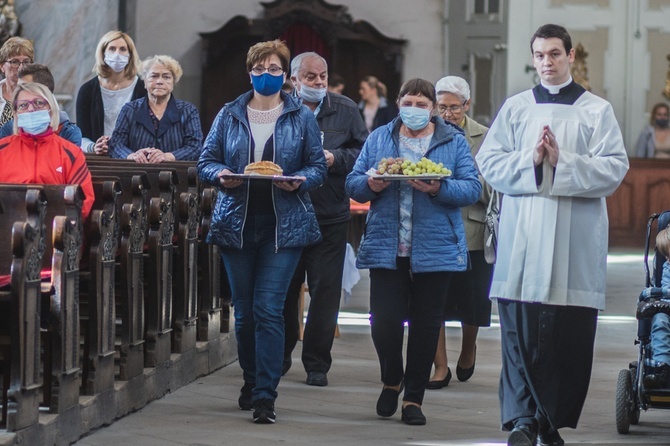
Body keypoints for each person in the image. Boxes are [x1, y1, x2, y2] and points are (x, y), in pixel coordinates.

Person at [475, 24, 629, 446]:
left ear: (571, 55)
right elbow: (489, 161)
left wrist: (564, 162)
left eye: (554, 54)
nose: (546, 62)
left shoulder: (596, 110)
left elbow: (615, 167)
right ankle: (524, 420)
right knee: (519, 334)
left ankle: (548, 421)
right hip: (523, 236)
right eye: (539, 55)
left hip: (574, 242)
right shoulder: (516, 108)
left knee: (566, 339)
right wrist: (531, 159)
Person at [197, 40, 327, 424]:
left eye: (274, 69)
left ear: (285, 76)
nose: (266, 75)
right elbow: (207, 159)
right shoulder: (230, 113)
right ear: (249, 71)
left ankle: (266, 395)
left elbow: (317, 167)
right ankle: (251, 378)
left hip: (282, 225)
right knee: (244, 313)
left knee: (269, 309)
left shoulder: (300, 116)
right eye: (259, 68)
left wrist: (300, 180)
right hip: (237, 221)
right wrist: (220, 175)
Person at [346, 78, 481, 426]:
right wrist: (371, 184)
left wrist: (439, 188)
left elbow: (471, 187)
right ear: (399, 103)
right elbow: (354, 182)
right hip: (387, 244)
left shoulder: (452, 140)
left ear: (433, 108)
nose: (415, 110)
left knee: (425, 324)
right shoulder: (380, 137)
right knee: (384, 322)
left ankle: (413, 399)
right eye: (409, 102)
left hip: (435, 245)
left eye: (423, 104)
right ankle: (392, 379)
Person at [282, 52, 368, 386]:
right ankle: (280, 355)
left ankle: (317, 363)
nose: (319, 82)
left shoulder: (345, 109)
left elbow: (364, 152)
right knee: (286, 290)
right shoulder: (281, 108)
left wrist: (337, 158)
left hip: (330, 214)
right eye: (311, 77)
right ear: (294, 80)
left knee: (326, 291)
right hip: (288, 213)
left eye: (323, 76)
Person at [426, 76, 493, 389]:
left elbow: (492, 187)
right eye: (442, 107)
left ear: (467, 106)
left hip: (472, 230)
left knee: (473, 300)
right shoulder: (425, 131)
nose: (447, 114)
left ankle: (468, 349)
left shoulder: (485, 137)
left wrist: (454, 182)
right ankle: (440, 366)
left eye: (454, 107)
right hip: (434, 226)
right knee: (433, 301)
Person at [0, 82, 94, 218]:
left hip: (57, 232)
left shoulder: (71, 153)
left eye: (39, 103)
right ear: (15, 113)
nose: (31, 109)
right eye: (23, 105)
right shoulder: (2, 150)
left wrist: (58, 230)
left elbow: (83, 200)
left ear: (51, 109)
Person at [108, 55, 203, 162]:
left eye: (166, 77)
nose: (159, 81)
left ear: (173, 82)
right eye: (154, 76)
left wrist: (167, 156)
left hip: (176, 174)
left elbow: (195, 147)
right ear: (144, 81)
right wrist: (132, 156)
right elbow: (116, 144)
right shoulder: (129, 109)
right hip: (135, 172)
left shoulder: (188, 110)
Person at [76, 30, 145, 155]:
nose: (117, 54)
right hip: (99, 157)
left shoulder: (143, 88)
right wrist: (94, 147)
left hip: (133, 157)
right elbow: (81, 135)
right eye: (112, 49)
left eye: (123, 49)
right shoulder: (88, 90)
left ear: (130, 54)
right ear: (103, 53)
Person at [0, 63, 82, 145]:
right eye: (18, 88)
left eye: (26, 87)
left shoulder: (68, 132)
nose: (19, 93)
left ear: (45, 91)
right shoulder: (9, 128)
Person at [641, 228, 670, 389]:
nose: (668, 259)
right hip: (668, 308)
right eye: (666, 255)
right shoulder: (668, 268)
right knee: (659, 319)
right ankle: (662, 369)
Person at [0, 36, 33, 126]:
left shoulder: (41, 94)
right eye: (14, 62)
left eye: (26, 62)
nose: (21, 67)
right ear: (2, 66)